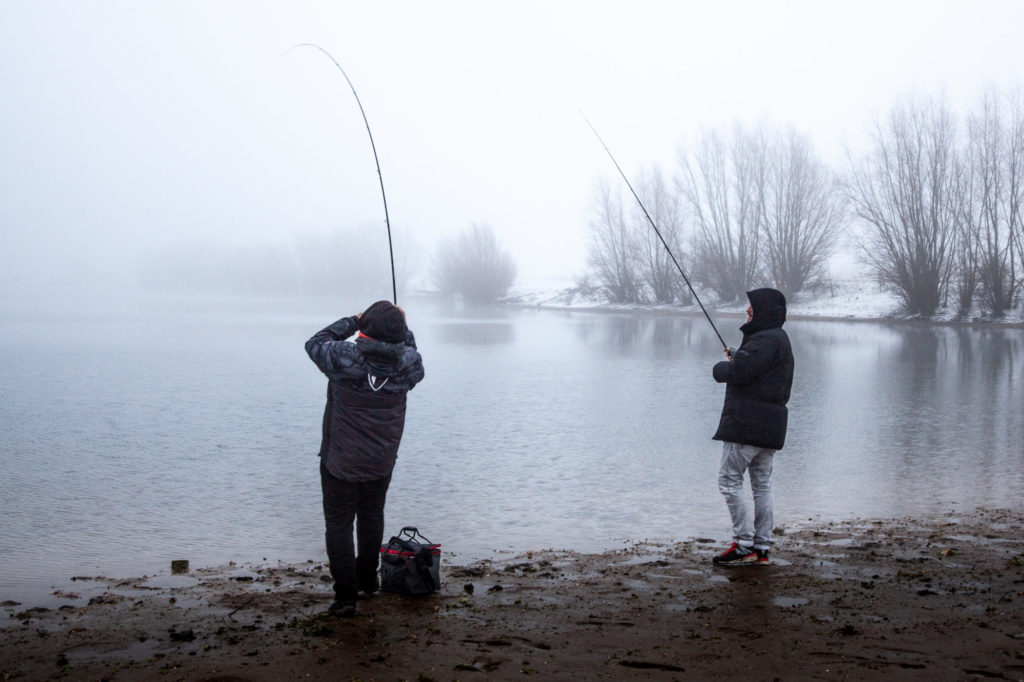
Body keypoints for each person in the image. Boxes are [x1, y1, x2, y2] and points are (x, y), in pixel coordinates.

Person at [305, 300, 425, 616]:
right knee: (371, 515)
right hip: (381, 460)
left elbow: (314, 343)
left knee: (340, 524)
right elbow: (411, 352)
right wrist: (401, 325)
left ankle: (346, 597)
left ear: (365, 333)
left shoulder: (343, 358)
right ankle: (368, 583)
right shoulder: (409, 364)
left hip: (340, 461)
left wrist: (352, 320)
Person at [710, 288, 794, 567]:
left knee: (729, 481)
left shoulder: (764, 339)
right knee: (761, 486)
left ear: (765, 312)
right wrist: (738, 353)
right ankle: (761, 548)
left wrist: (720, 368)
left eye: (752, 308)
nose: (747, 311)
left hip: (747, 426)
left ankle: (744, 543)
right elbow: (756, 367)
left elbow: (739, 372)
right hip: (769, 429)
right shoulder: (776, 339)